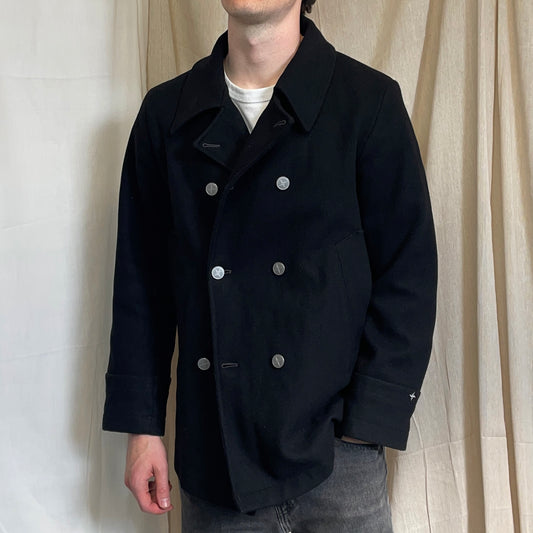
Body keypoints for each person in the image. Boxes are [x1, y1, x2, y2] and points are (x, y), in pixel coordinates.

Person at [102, 0, 438, 531]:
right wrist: (142, 429)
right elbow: (142, 284)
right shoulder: (167, 114)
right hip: (217, 458)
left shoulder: (365, 101)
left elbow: (408, 272)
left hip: (336, 458)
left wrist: (367, 423)